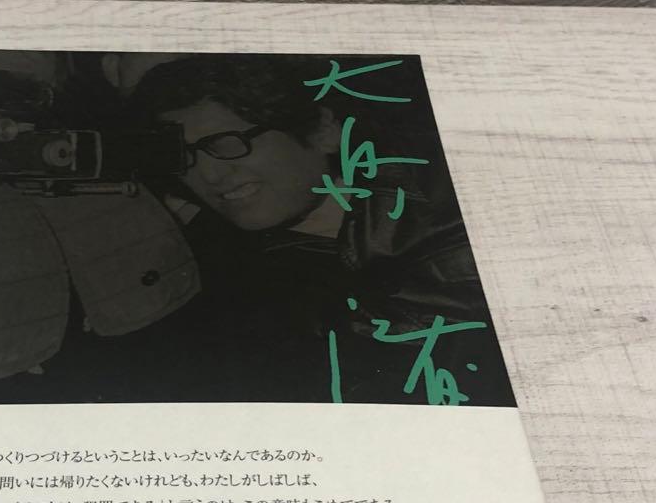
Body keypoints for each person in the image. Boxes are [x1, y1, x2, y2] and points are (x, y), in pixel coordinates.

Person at [128, 53, 515, 407]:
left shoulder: (451, 200)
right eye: (186, 158)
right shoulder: (234, 287)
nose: (209, 175)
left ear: (322, 131)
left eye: (227, 143)